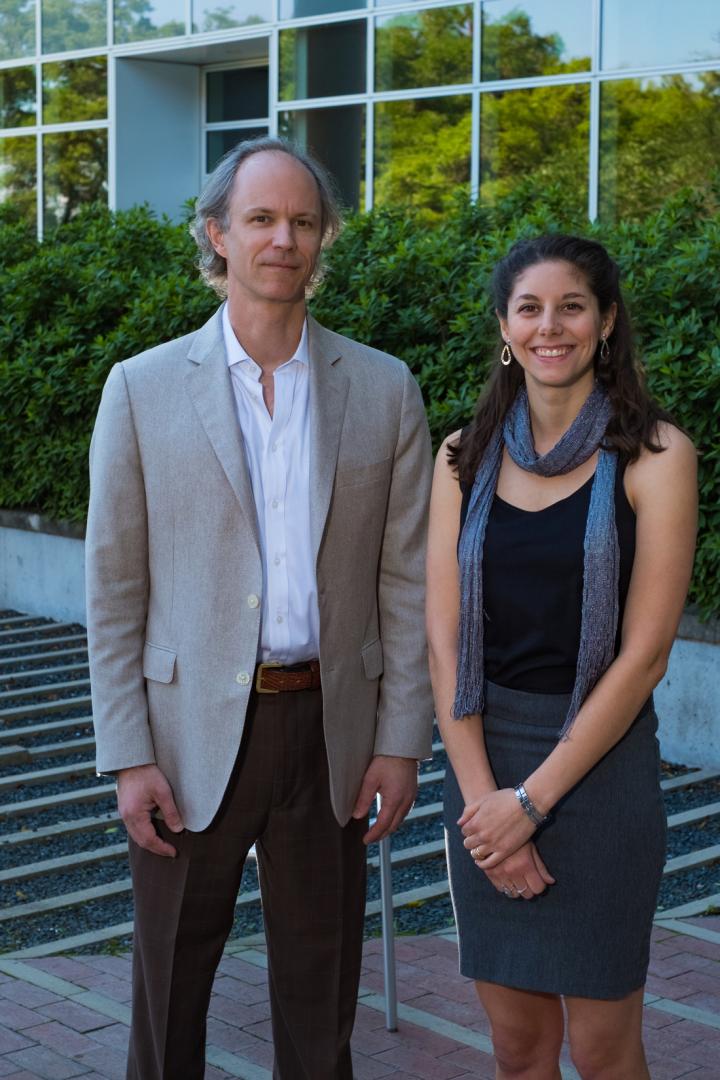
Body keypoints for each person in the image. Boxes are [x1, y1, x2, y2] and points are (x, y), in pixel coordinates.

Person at [85, 136, 434, 1080]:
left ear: (323, 241)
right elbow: (114, 589)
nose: (285, 238)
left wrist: (402, 740)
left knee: (322, 1001)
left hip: (333, 732)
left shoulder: (385, 389)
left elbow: (406, 582)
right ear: (218, 235)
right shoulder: (141, 389)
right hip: (188, 734)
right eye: (262, 219)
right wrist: (128, 756)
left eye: (304, 221)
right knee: (168, 992)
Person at [426, 234, 697, 1079]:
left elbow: (646, 655)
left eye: (573, 306)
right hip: (483, 761)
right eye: (530, 308)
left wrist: (530, 806)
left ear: (606, 322)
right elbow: (444, 640)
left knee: (606, 1050)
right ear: (504, 328)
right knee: (518, 1048)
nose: (552, 326)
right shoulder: (460, 455)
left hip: (601, 771)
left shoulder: (656, 456)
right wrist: (488, 814)